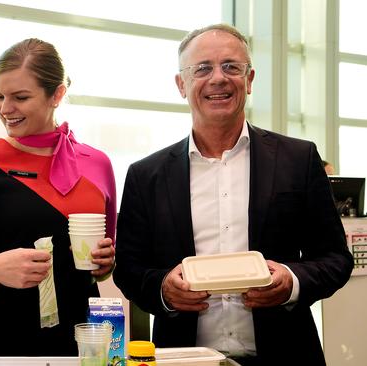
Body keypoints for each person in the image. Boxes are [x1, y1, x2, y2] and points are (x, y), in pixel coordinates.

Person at [113, 24, 353, 366]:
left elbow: (336, 258)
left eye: (231, 66)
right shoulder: (146, 174)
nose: (218, 79)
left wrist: (293, 281)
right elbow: (130, 269)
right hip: (184, 359)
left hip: (285, 354)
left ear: (249, 79)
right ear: (182, 85)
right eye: (202, 69)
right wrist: (164, 288)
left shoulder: (298, 159)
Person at [0, 38, 116, 356]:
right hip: (3, 342)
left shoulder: (99, 165)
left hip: (83, 340)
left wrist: (105, 264)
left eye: (20, 97)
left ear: (57, 94)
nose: (5, 108)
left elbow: (103, 266)